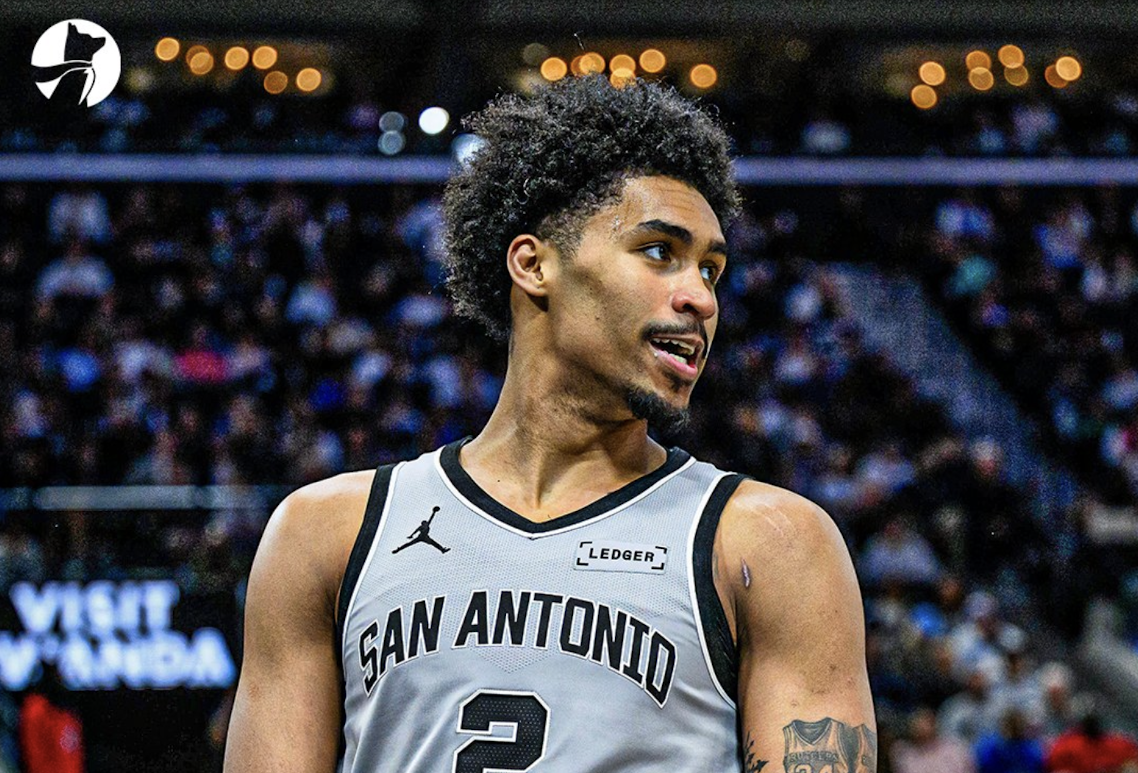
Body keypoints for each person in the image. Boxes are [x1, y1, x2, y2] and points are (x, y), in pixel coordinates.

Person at [224, 75, 875, 773]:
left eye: (711, 270)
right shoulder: (326, 534)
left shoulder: (770, 543)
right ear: (534, 264)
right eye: (660, 252)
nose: (700, 298)